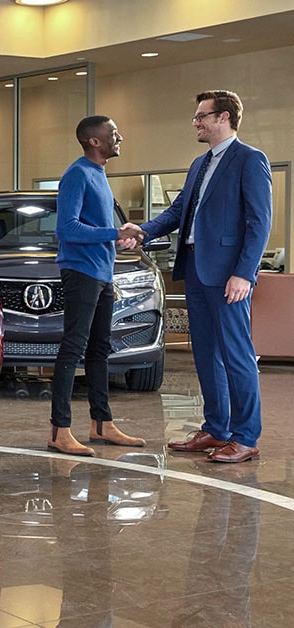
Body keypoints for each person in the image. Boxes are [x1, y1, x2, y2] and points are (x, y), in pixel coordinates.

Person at [140, 90, 272, 463]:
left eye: (202, 116)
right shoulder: (199, 164)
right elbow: (178, 211)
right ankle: (217, 428)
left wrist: (244, 273)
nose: (196, 122)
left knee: (237, 356)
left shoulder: (250, 160)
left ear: (224, 118)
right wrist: (143, 231)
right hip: (196, 271)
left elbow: (259, 223)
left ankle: (246, 437)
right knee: (206, 355)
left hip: (229, 276)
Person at [47, 115, 148, 456]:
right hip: (81, 272)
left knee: (100, 349)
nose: (119, 137)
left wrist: (118, 240)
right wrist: (114, 233)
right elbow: (67, 229)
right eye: (113, 133)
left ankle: (101, 425)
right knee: (73, 348)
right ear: (94, 140)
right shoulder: (77, 174)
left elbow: (95, 230)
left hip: (102, 274)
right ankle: (59, 430)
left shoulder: (99, 174)